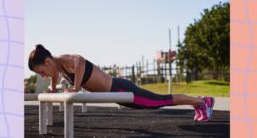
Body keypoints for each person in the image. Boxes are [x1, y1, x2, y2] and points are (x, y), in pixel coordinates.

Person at [28, 44, 214, 122]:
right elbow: (53, 79)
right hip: (117, 94)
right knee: (154, 103)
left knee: (160, 101)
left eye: (42, 72)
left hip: (121, 88)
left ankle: (201, 102)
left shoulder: (66, 60)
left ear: (47, 62)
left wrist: (76, 88)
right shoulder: (57, 68)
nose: (44, 76)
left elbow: (81, 60)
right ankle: (198, 101)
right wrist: (52, 89)